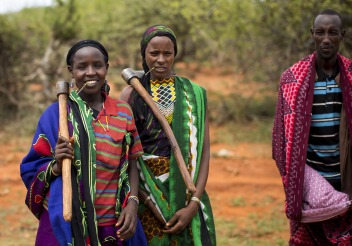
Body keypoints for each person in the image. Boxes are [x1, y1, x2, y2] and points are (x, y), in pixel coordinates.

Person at [272, 9, 352, 245]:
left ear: (342, 35)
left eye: (333, 33)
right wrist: (296, 181)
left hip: (346, 180)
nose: (326, 39)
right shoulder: (292, 78)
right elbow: (280, 140)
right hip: (309, 184)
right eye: (320, 32)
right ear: (312, 34)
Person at [20, 40, 148, 245]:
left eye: (97, 65)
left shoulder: (123, 112)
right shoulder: (56, 115)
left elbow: (132, 162)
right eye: (82, 67)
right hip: (68, 223)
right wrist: (56, 165)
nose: (90, 72)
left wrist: (132, 203)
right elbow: (31, 168)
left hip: (114, 223)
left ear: (107, 67)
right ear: (71, 71)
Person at [120, 25, 216, 245]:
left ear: (175, 54)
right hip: (145, 192)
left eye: (167, 53)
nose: (161, 59)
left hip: (186, 191)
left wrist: (193, 203)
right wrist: (141, 199)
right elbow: (124, 151)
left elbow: (204, 150)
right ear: (144, 54)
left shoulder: (195, 93)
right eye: (154, 53)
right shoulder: (131, 93)